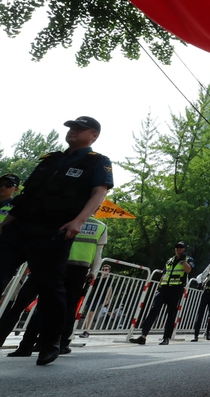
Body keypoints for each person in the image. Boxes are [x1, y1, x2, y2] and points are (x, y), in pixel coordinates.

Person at [0, 116, 113, 366]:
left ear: (93, 135)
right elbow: (27, 196)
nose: (72, 132)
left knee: (51, 289)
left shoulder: (97, 162)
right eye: (71, 128)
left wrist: (79, 221)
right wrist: (5, 225)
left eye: (79, 129)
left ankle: (51, 342)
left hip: (53, 231)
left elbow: (100, 192)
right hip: (20, 228)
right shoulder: (51, 160)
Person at [7, 215, 108, 356]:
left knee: (43, 304)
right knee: (69, 306)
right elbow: (98, 253)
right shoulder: (100, 226)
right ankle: (61, 344)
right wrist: (94, 272)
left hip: (54, 264)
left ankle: (28, 345)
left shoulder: (62, 219)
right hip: (79, 269)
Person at [130, 241, 194, 345]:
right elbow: (164, 273)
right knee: (154, 309)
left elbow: (188, 271)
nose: (178, 249)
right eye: (176, 247)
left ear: (184, 249)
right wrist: (159, 285)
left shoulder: (188, 260)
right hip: (163, 288)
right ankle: (143, 336)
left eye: (180, 247)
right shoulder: (170, 260)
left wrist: (183, 261)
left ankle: (166, 338)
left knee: (171, 313)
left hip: (176, 289)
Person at [79, 263, 114, 336]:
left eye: (106, 270)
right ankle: (86, 329)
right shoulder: (97, 279)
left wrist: (108, 299)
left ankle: (87, 330)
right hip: (92, 297)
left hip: (100, 297)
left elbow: (110, 289)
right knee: (89, 312)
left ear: (109, 271)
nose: (104, 271)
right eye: (103, 269)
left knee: (91, 312)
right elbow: (92, 288)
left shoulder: (109, 279)